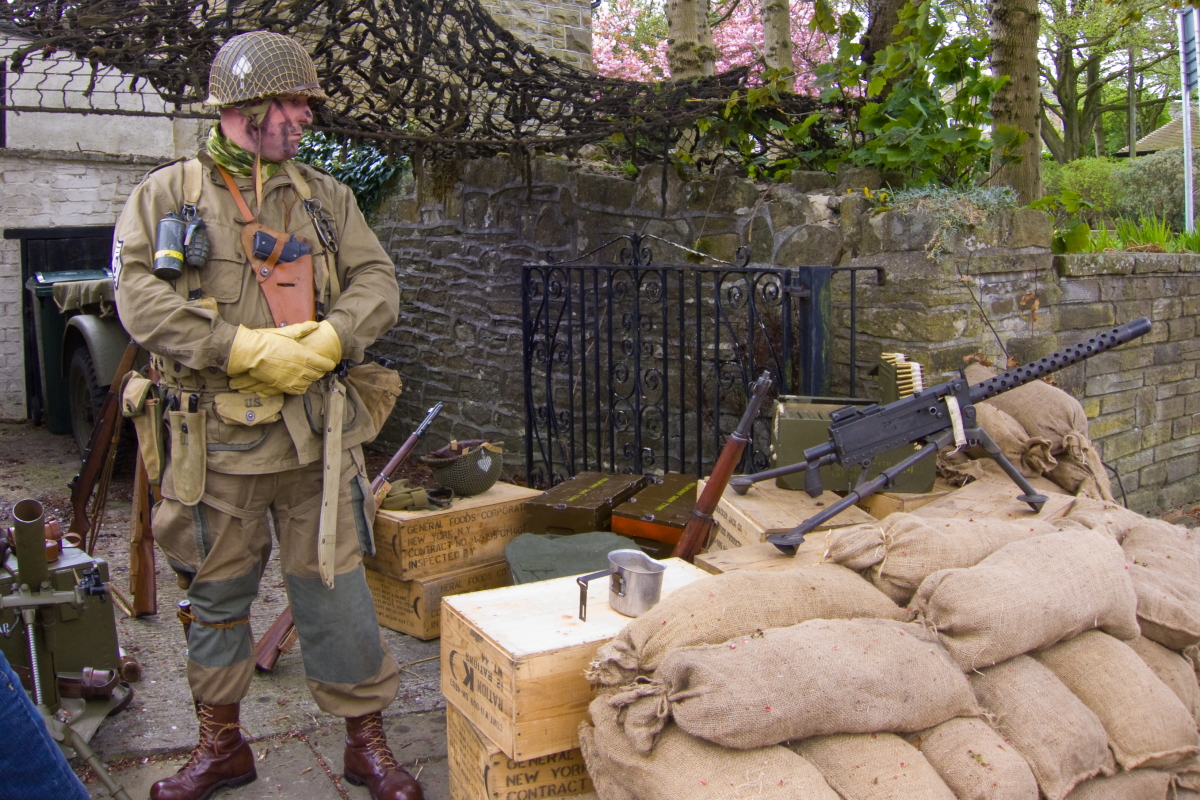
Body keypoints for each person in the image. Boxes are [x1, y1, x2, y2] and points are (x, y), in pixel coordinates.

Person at [113, 31, 420, 800]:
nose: (300, 118)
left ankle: (365, 744)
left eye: (304, 104)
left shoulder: (325, 197)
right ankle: (222, 747)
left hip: (318, 440)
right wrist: (239, 348)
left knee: (338, 590)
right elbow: (140, 301)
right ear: (241, 107)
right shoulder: (166, 196)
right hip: (217, 448)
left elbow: (377, 278)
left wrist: (334, 333)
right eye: (286, 103)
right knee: (216, 597)